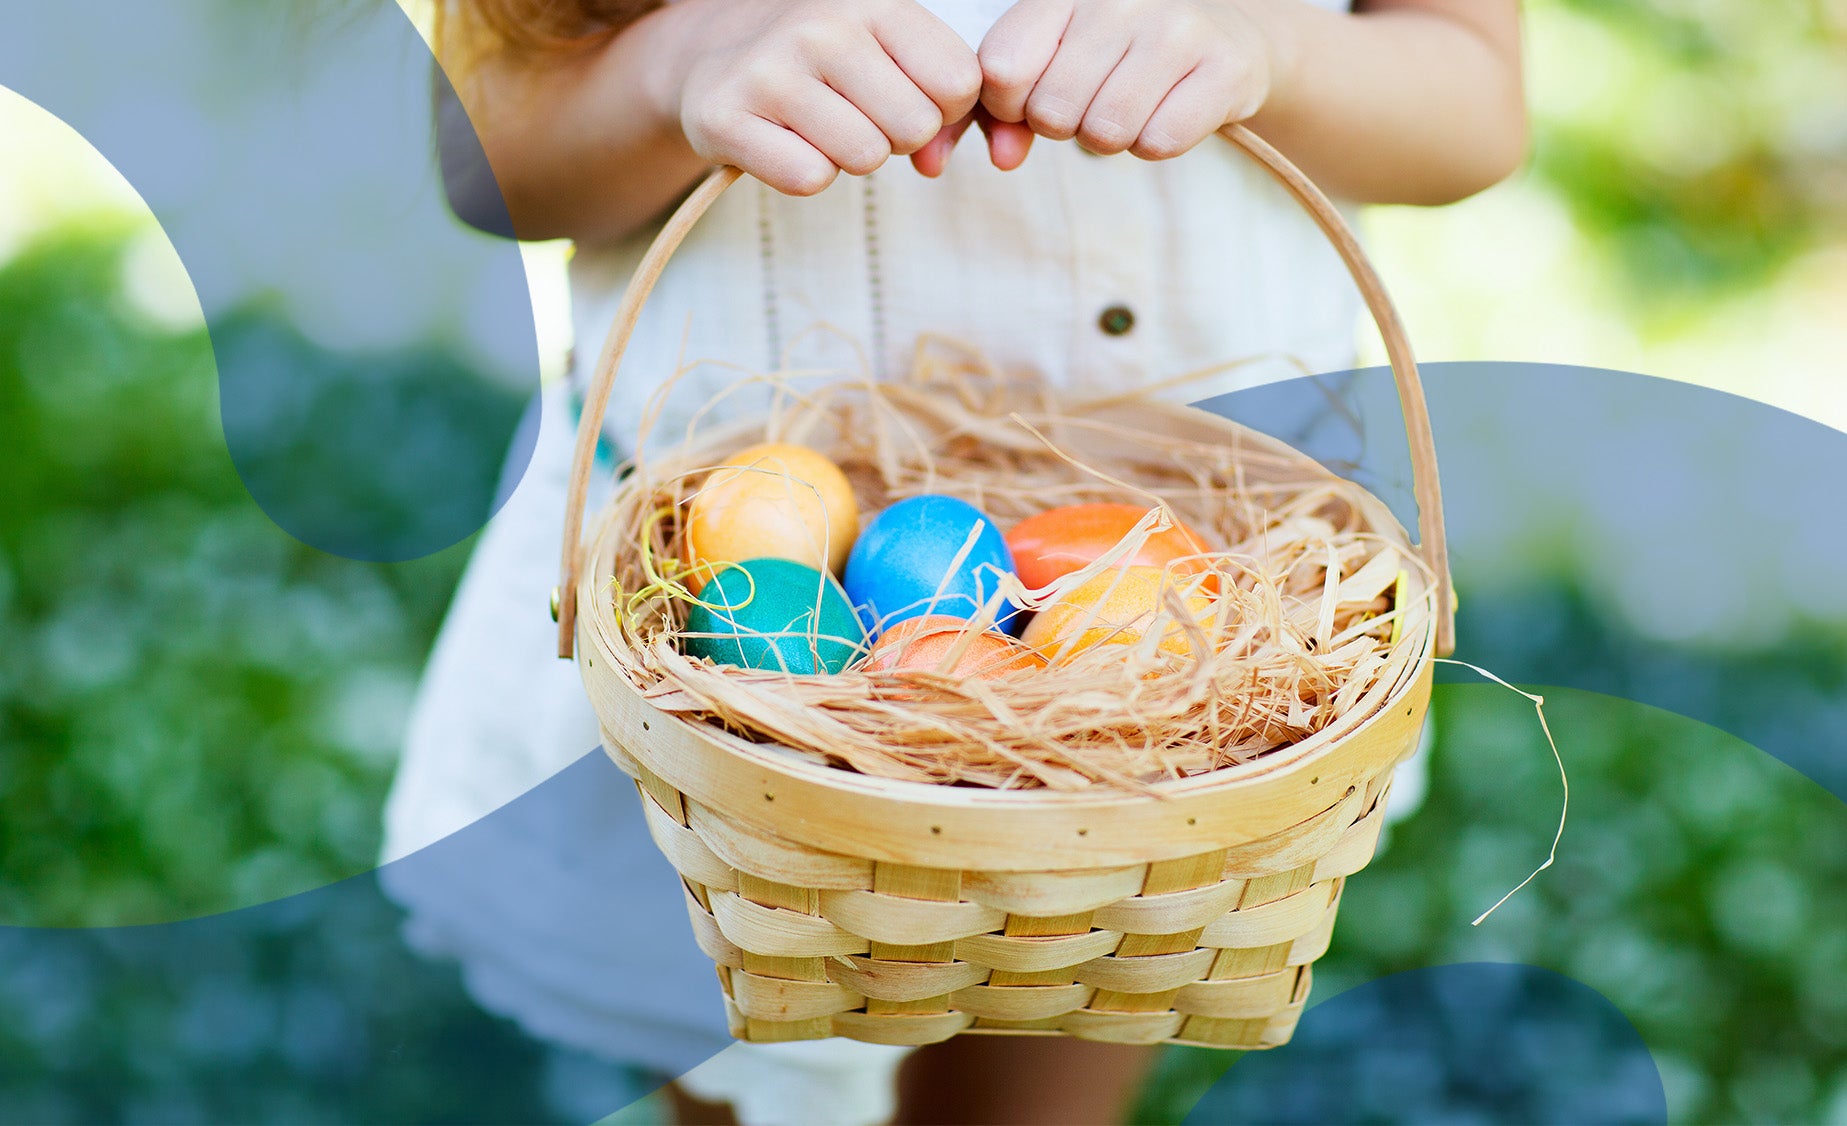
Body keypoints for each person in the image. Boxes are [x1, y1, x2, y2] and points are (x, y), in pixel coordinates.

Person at [383, 2, 1524, 1123]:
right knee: (757, 1055)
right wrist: (680, 64)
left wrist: (1266, 48)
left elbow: (1473, 101)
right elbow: (491, 153)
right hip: (718, 682)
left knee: (1060, 1045)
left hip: (1191, 648)